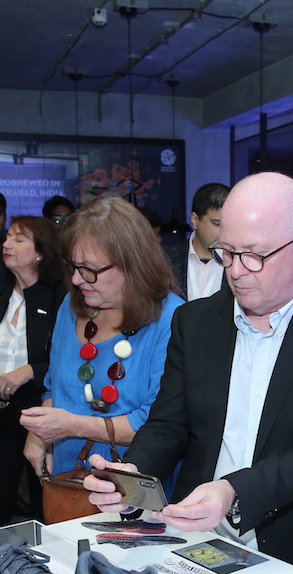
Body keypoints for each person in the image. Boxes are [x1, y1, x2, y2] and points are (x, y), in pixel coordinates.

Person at [85, 172, 293, 571]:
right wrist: (135, 476)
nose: (236, 270)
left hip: (292, 548)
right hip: (193, 538)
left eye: (254, 255)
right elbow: (168, 423)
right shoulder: (195, 321)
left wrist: (233, 490)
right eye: (226, 252)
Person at [21, 197, 183, 482]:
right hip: (68, 481)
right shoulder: (71, 308)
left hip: (132, 487)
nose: (77, 280)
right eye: (72, 266)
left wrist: (71, 426)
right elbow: (53, 390)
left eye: (89, 270)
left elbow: (160, 424)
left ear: (132, 264)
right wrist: (40, 433)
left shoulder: (171, 319)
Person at [0, 216, 67, 529]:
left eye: (19, 239)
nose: (6, 244)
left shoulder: (62, 300)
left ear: (40, 252)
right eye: (7, 237)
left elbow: (70, 360)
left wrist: (30, 371)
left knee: (45, 509)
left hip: (42, 419)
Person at [166, 182, 231, 300]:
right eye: (217, 224)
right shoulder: (166, 259)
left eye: (230, 224)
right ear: (195, 220)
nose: (225, 231)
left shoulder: (238, 262)